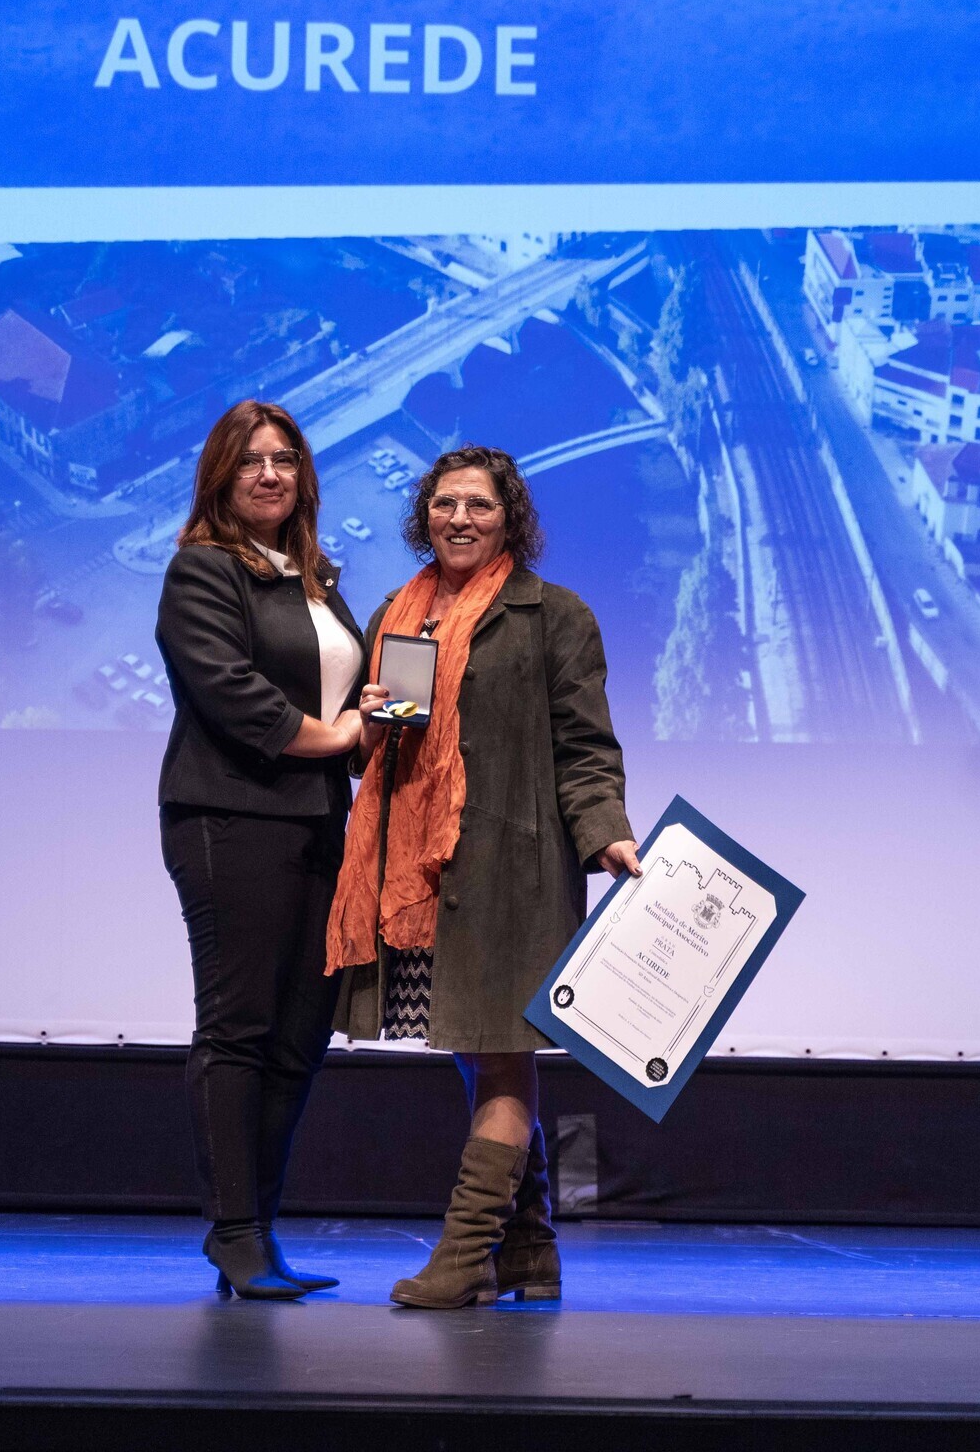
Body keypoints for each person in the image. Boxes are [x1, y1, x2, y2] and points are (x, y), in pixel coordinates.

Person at [326, 444, 637, 1309]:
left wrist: (606, 834)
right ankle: (529, 1252)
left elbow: (585, 748)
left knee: (500, 1057)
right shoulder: (398, 613)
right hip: (422, 875)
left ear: (510, 521)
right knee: (475, 1047)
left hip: (512, 877)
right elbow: (374, 755)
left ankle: (463, 1259)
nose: (459, 519)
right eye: (445, 504)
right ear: (424, 515)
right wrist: (370, 725)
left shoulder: (555, 615)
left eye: (479, 506)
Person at [155, 401, 367, 1301]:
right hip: (228, 816)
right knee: (238, 1030)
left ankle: (260, 1232)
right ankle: (233, 1232)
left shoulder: (313, 577)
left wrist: (379, 721)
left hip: (317, 821)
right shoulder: (202, 569)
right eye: (251, 460)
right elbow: (232, 692)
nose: (271, 474)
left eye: (285, 458)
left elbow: (355, 692)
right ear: (220, 476)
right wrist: (338, 736)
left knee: (299, 1037)